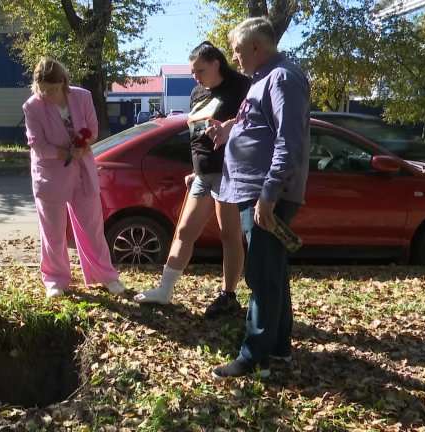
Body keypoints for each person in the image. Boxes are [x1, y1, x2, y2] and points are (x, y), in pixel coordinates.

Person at [207, 17, 310, 379]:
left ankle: (253, 357)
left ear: (256, 47)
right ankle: (279, 349)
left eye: (237, 50)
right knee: (273, 272)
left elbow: (289, 141)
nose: (234, 57)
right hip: (254, 191)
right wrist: (229, 129)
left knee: (261, 275)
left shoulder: (283, 77)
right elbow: (258, 123)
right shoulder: (262, 79)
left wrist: (268, 195)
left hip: (266, 193)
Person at [133, 41, 250, 319]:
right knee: (184, 231)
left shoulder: (241, 86)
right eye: (192, 72)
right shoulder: (198, 92)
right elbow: (196, 135)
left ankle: (228, 295)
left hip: (229, 172)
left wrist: (230, 126)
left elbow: (253, 123)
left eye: (200, 70)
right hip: (203, 174)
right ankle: (164, 290)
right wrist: (195, 170)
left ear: (216, 64)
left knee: (229, 235)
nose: (195, 77)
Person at [22, 57, 126, 298]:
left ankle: (105, 275)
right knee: (53, 231)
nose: (48, 94)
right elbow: (37, 144)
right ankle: (55, 279)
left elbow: (92, 127)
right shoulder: (32, 107)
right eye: (43, 89)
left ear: (63, 82)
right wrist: (64, 152)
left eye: (53, 89)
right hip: (50, 175)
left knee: (93, 227)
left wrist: (83, 145)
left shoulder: (82, 97)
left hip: (82, 172)